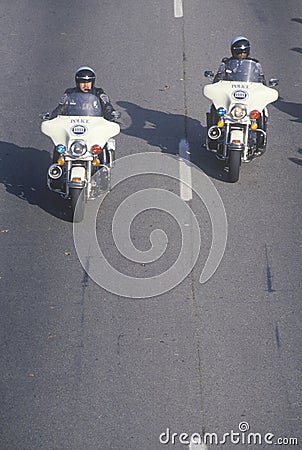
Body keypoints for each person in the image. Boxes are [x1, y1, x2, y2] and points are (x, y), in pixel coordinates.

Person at [207, 37, 266, 153]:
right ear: (233, 51)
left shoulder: (255, 65)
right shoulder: (226, 64)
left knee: (262, 110)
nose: (242, 54)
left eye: (244, 52)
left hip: (247, 97)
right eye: (239, 52)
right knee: (215, 106)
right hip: (231, 97)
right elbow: (218, 78)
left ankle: (261, 139)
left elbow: (261, 81)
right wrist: (217, 84)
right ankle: (213, 136)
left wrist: (263, 88)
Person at [50, 66, 120, 162]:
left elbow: (107, 106)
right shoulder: (69, 93)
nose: (85, 85)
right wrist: (53, 116)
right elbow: (61, 107)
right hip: (72, 126)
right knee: (60, 145)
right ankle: (56, 169)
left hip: (93, 125)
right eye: (82, 83)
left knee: (103, 144)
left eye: (88, 82)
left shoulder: (99, 93)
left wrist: (111, 113)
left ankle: (105, 168)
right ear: (77, 82)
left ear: (92, 82)